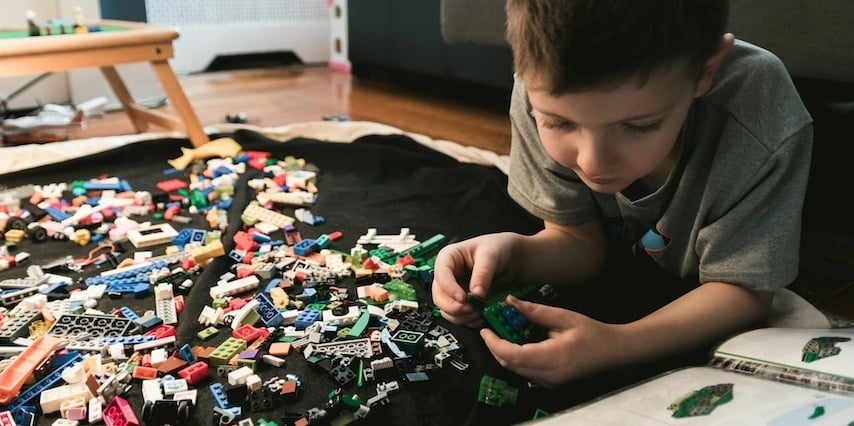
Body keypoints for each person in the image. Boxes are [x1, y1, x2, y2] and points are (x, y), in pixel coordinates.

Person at [432, 0, 813, 389]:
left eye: (638, 126)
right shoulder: (538, 81)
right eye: (559, 122)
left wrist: (619, 344)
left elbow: (745, 290)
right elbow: (578, 242)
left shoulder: (759, 115)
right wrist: (514, 255)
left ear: (706, 71)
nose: (593, 161)